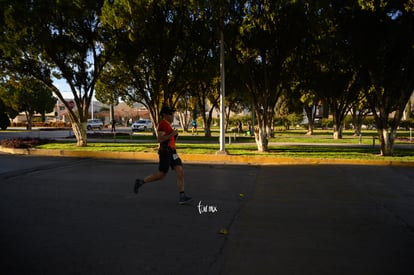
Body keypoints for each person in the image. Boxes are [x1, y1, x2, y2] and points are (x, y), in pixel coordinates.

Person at [134, 106, 192, 205]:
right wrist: (172, 134)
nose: (172, 116)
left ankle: (182, 196)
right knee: (161, 175)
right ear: (165, 115)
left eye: (173, 114)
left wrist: (174, 136)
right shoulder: (162, 125)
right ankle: (141, 182)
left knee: (180, 172)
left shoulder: (168, 125)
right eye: (170, 114)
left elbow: (170, 139)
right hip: (165, 152)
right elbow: (160, 139)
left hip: (173, 152)